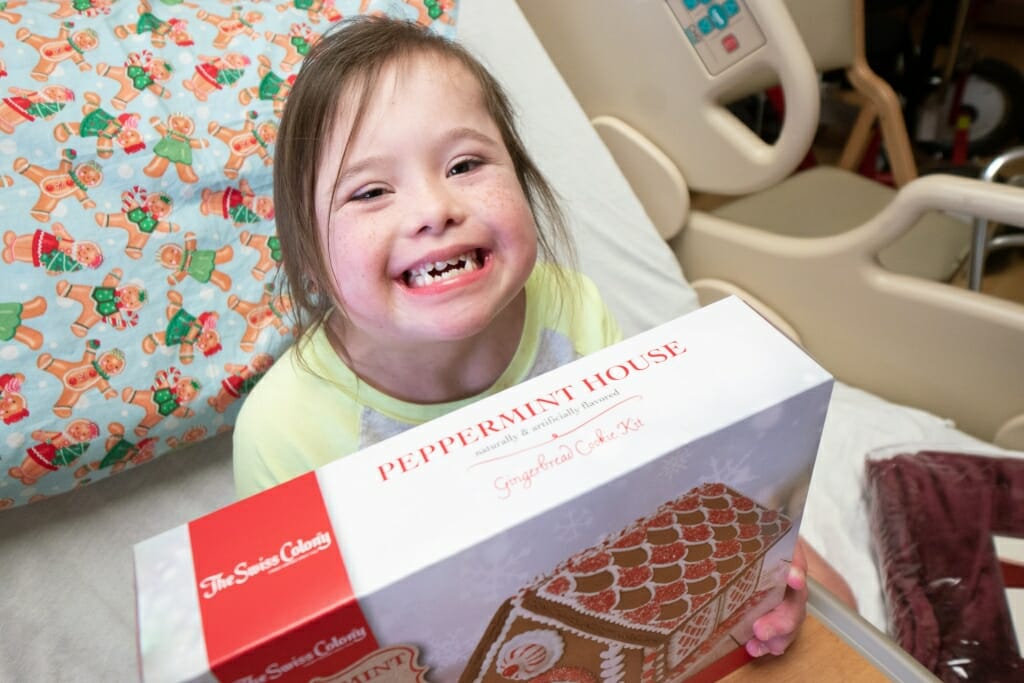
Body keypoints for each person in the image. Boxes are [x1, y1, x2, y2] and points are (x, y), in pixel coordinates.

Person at [233, 15, 825, 661]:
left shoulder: (570, 308)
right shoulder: (283, 432)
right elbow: (312, 651)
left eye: (465, 164)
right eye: (371, 191)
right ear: (311, 257)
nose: (435, 208)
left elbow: (643, 497)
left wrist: (758, 588)